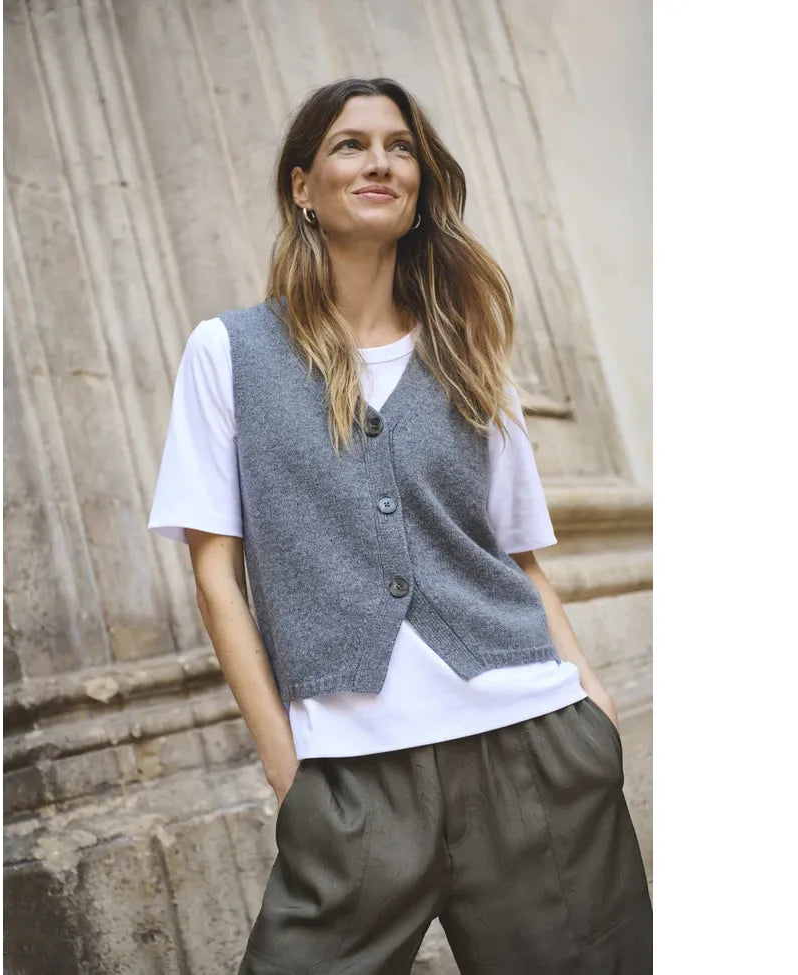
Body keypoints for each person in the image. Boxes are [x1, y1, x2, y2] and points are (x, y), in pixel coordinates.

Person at [149, 77, 651, 975]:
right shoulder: (228, 353)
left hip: (534, 745)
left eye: (400, 146)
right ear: (302, 186)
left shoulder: (468, 355)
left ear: (419, 186)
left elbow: (519, 557)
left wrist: (591, 701)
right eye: (350, 144)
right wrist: (288, 768)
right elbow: (214, 575)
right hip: (350, 777)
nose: (379, 161)